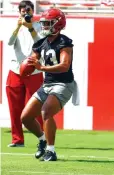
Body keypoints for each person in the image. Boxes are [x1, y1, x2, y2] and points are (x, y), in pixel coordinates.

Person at [21, 8, 75, 161]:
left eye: (48, 23)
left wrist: (42, 67)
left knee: (46, 111)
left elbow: (65, 65)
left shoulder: (64, 42)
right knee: (26, 117)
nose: (44, 26)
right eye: (43, 24)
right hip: (47, 85)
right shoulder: (40, 44)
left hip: (63, 84)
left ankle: (51, 151)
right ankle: (42, 140)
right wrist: (28, 66)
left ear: (58, 24)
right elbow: (32, 61)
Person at [7, 0, 43, 147]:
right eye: (23, 11)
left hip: (33, 70)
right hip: (15, 70)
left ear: (32, 12)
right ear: (19, 12)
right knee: (14, 107)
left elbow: (40, 43)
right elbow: (9, 42)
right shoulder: (15, 25)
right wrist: (18, 26)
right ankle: (17, 140)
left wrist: (30, 28)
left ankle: (43, 138)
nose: (26, 13)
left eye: (28, 11)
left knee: (37, 106)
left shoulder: (39, 26)